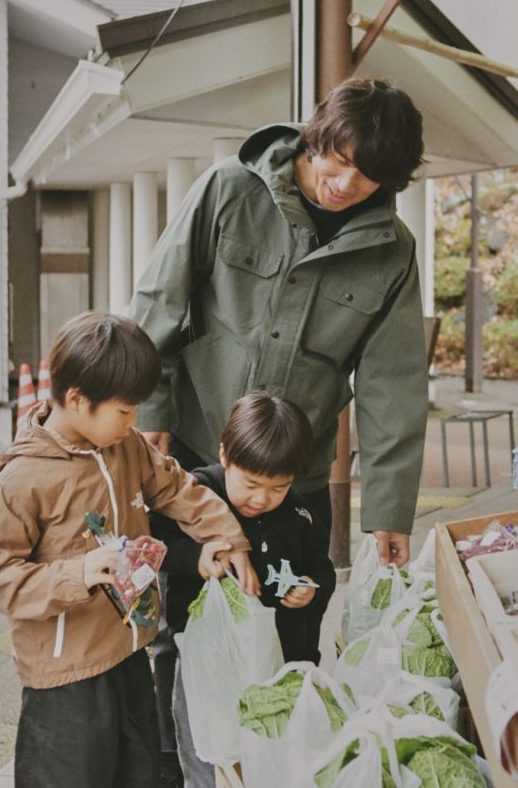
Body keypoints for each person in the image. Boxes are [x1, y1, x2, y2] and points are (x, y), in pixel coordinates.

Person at [130, 77, 429, 784]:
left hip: (297, 473)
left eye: (369, 175)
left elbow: (392, 383)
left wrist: (387, 510)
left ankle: (280, 766)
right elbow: (159, 302)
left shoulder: (392, 249)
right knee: (184, 623)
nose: (346, 182)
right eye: (338, 159)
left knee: (296, 619)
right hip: (203, 456)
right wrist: (150, 419)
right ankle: (181, 768)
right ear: (315, 134)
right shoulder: (228, 190)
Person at [0, 311, 259, 788]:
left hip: (130, 652)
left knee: (137, 774)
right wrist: (75, 574)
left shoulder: (128, 449)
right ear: (78, 400)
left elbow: (179, 490)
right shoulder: (23, 479)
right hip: (65, 677)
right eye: (125, 411)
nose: (134, 422)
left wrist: (228, 540)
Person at [150, 391, 336, 788]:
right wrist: (196, 558)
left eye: (278, 488)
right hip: (204, 661)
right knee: (204, 751)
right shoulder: (196, 494)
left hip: (274, 662)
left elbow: (321, 566)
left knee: (269, 755)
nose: (261, 498)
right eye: (250, 483)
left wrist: (312, 588)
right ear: (224, 455)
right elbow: (155, 542)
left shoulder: (301, 515)